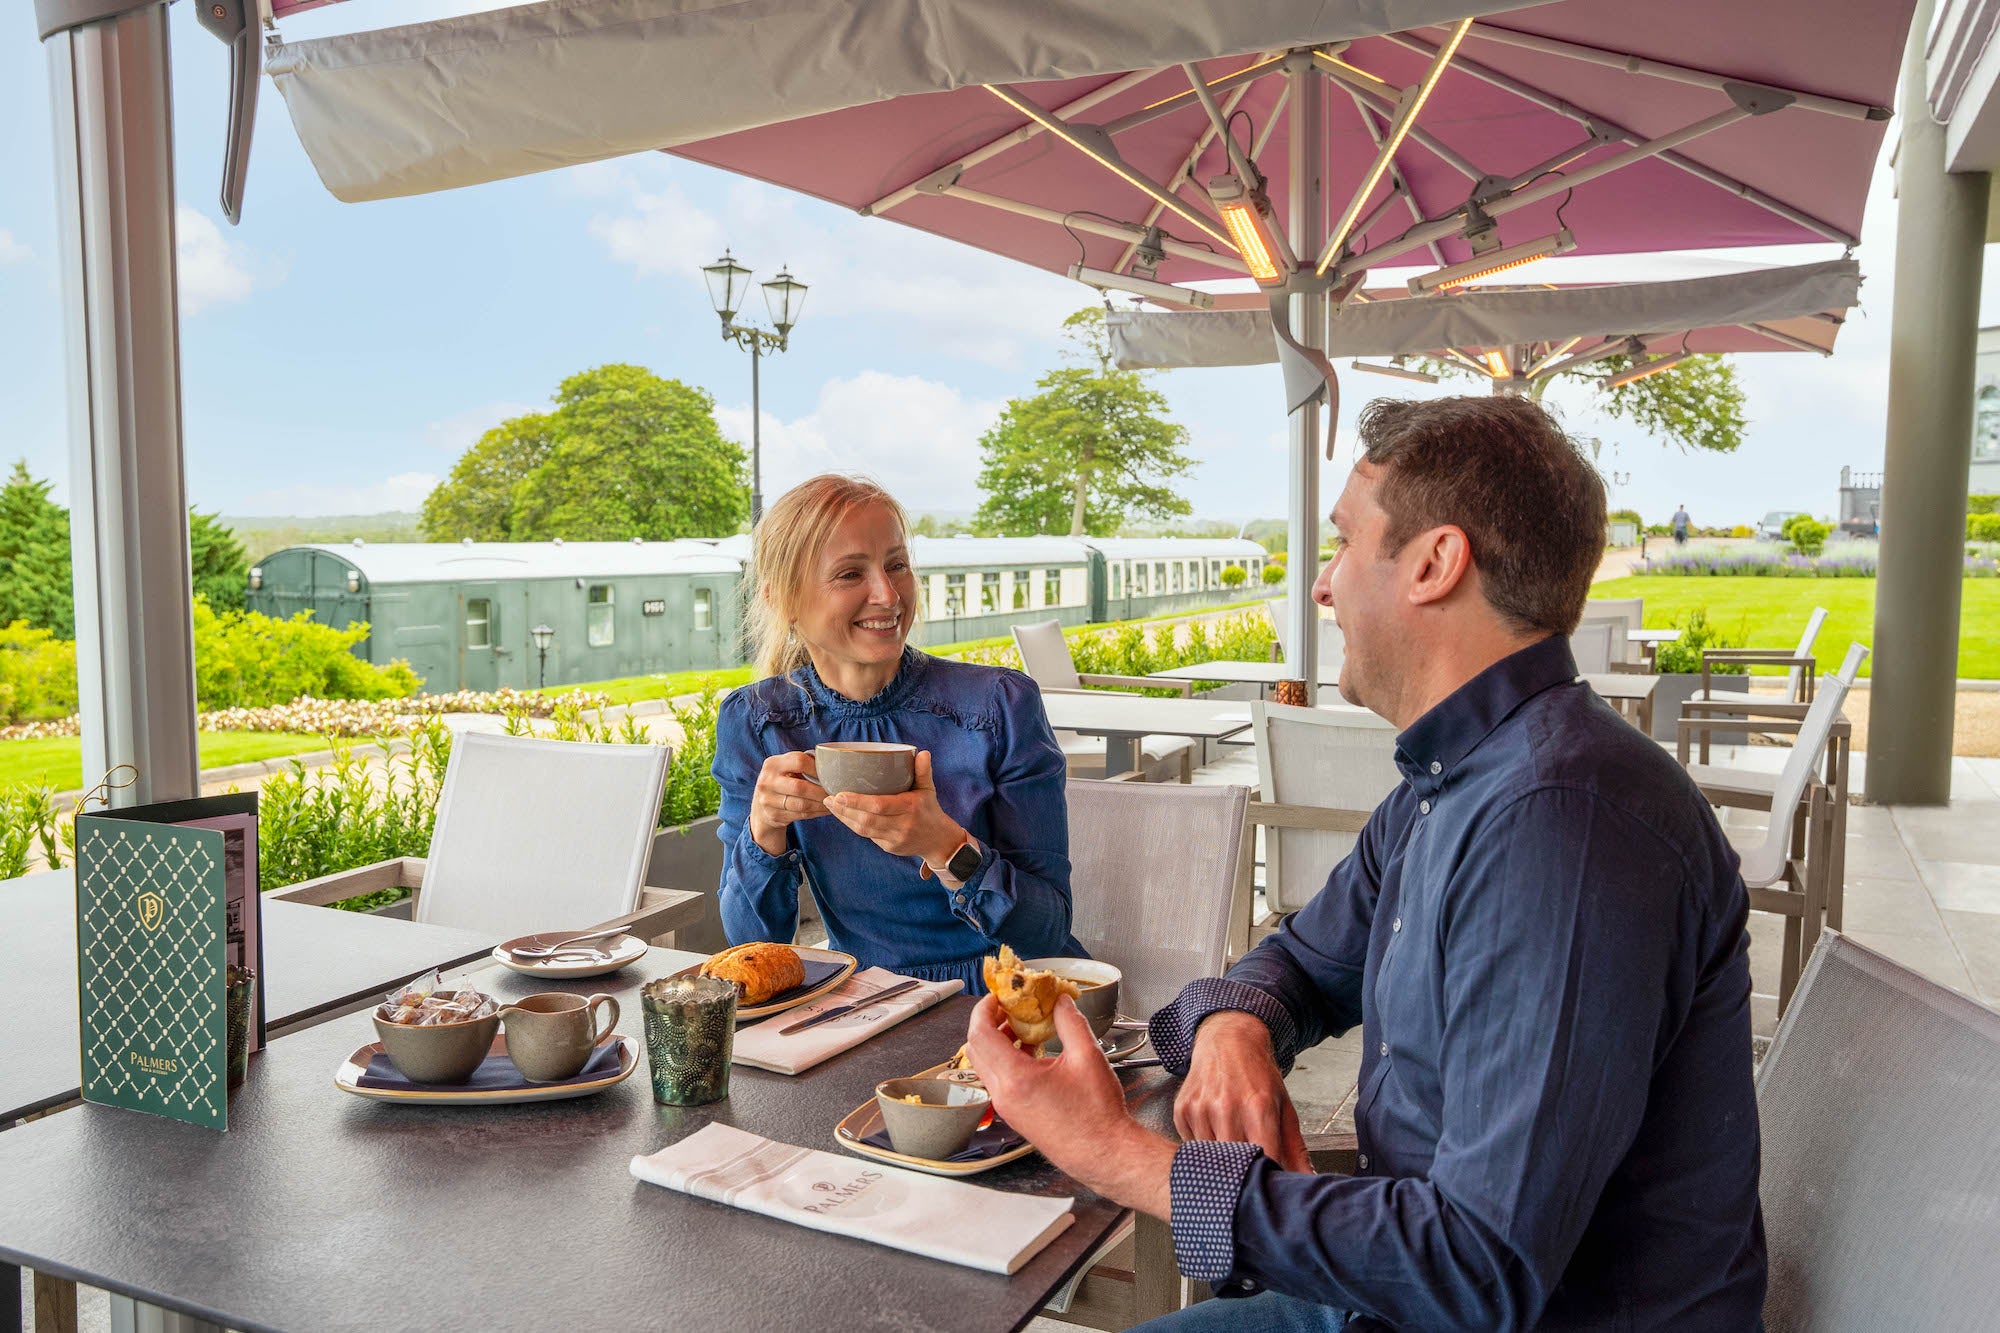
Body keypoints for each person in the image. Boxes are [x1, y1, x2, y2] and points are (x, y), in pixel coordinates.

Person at [969, 396, 1764, 1331]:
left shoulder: (1562, 824)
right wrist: (1235, 1028)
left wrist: (1111, 1151)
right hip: (1393, 1295)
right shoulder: (1457, 777)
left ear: (1433, 564)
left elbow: (1480, 1268)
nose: (1321, 585)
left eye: (1344, 543)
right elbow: (1301, 960)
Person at [712, 473, 1082, 990]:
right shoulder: (756, 722)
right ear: (782, 600)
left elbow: (1047, 931)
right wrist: (764, 833)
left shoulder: (999, 705)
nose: (887, 595)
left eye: (896, 565)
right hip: (865, 1005)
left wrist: (947, 846)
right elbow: (751, 947)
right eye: (849, 575)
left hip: (1010, 997)